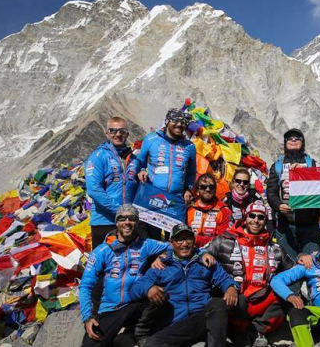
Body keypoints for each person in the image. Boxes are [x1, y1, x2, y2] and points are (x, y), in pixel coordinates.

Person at [129, 223, 240, 347]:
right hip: (176, 325)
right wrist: (149, 288)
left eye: (188, 239)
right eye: (180, 240)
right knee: (152, 344)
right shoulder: (161, 265)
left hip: (202, 320)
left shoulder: (205, 261)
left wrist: (231, 287)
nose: (185, 244)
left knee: (217, 304)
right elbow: (134, 290)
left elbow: (225, 279)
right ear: (171, 242)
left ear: (194, 241)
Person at [79, 204, 170, 347]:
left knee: (160, 294)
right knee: (90, 345)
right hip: (110, 309)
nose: (127, 222)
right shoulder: (102, 250)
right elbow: (85, 285)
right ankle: (123, 338)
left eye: (132, 218)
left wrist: (163, 256)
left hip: (134, 305)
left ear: (137, 222)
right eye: (122, 219)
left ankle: (139, 332)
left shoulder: (145, 244)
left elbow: (176, 247)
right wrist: (87, 318)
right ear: (116, 223)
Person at [205, 202, 291, 347]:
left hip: (261, 299)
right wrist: (204, 254)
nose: (256, 220)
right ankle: (238, 333)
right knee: (237, 301)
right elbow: (201, 252)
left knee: (285, 296)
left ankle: (255, 331)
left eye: (261, 217)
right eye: (252, 216)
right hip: (235, 296)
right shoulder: (225, 239)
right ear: (245, 218)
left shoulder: (274, 247)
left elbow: (292, 268)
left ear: (265, 221)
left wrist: (302, 257)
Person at [128, 108, 197, 240]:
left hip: (175, 201)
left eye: (183, 122)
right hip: (153, 198)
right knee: (151, 239)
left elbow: (192, 172)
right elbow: (139, 161)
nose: (179, 124)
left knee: (175, 240)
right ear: (167, 122)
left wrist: (189, 189)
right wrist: (141, 170)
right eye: (175, 121)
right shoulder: (151, 139)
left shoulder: (189, 146)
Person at [266, 128, 320, 260]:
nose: (294, 140)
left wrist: (306, 172)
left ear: (303, 143)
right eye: (290, 138)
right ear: (285, 143)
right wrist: (278, 205)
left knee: (311, 263)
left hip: (309, 224)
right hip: (286, 225)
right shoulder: (277, 166)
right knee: (288, 264)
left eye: (297, 138)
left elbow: (319, 186)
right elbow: (271, 191)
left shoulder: (311, 164)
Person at [85, 117, 135, 248]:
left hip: (129, 222)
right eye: (113, 131)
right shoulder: (98, 156)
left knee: (127, 258)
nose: (118, 134)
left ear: (127, 134)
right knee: (104, 258)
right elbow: (94, 190)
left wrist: (143, 172)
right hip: (104, 222)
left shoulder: (133, 158)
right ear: (107, 133)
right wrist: (119, 211)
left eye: (122, 131)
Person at [187, 173, 232, 246]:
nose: (208, 189)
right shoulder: (188, 209)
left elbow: (223, 240)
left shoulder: (224, 211)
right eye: (203, 187)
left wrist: (197, 239)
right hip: (191, 249)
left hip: (214, 250)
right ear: (197, 191)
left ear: (215, 189)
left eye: (211, 187)